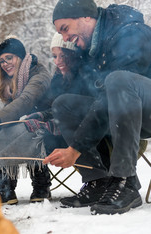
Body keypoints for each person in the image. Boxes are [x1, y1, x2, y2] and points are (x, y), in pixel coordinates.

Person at [44, 0, 151, 215]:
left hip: (146, 109)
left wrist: (75, 148)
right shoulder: (92, 47)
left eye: (65, 29)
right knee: (65, 104)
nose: (65, 38)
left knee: (118, 80)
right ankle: (97, 180)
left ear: (85, 17)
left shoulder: (131, 32)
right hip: (121, 112)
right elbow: (91, 99)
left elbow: (112, 94)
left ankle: (125, 180)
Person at [0, 36, 52, 205]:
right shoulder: (12, 83)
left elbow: (26, 101)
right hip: (28, 123)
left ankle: (40, 184)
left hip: (49, 121)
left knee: (21, 129)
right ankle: (6, 187)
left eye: (9, 58)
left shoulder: (39, 74)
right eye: (1, 61)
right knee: (8, 129)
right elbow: (15, 111)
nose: (5, 63)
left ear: (20, 56)